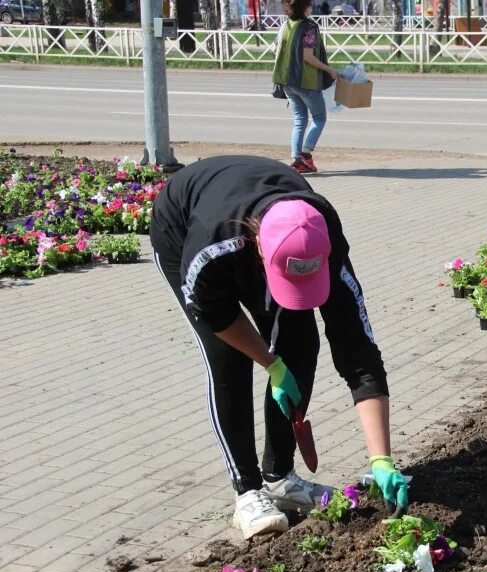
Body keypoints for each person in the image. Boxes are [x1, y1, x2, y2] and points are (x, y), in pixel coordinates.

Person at [149, 155, 409, 541]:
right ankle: (248, 491)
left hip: (263, 226)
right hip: (182, 227)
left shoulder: (327, 241)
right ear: (258, 248)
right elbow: (217, 317)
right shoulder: (212, 246)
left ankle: (281, 478)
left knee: (300, 343)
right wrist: (270, 364)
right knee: (229, 357)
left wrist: (382, 458)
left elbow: (359, 352)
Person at [272, 0, 336, 174]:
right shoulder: (309, 27)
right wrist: (329, 69)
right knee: (319, 118)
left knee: (299, 120)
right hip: (305, 81)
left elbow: (274, 48)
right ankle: (305, 155)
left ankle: (296, 159)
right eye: (309, 5)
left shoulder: (285, 25)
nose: (311, 8)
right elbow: (307, 56)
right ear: (304, 7)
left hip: (286, 80)